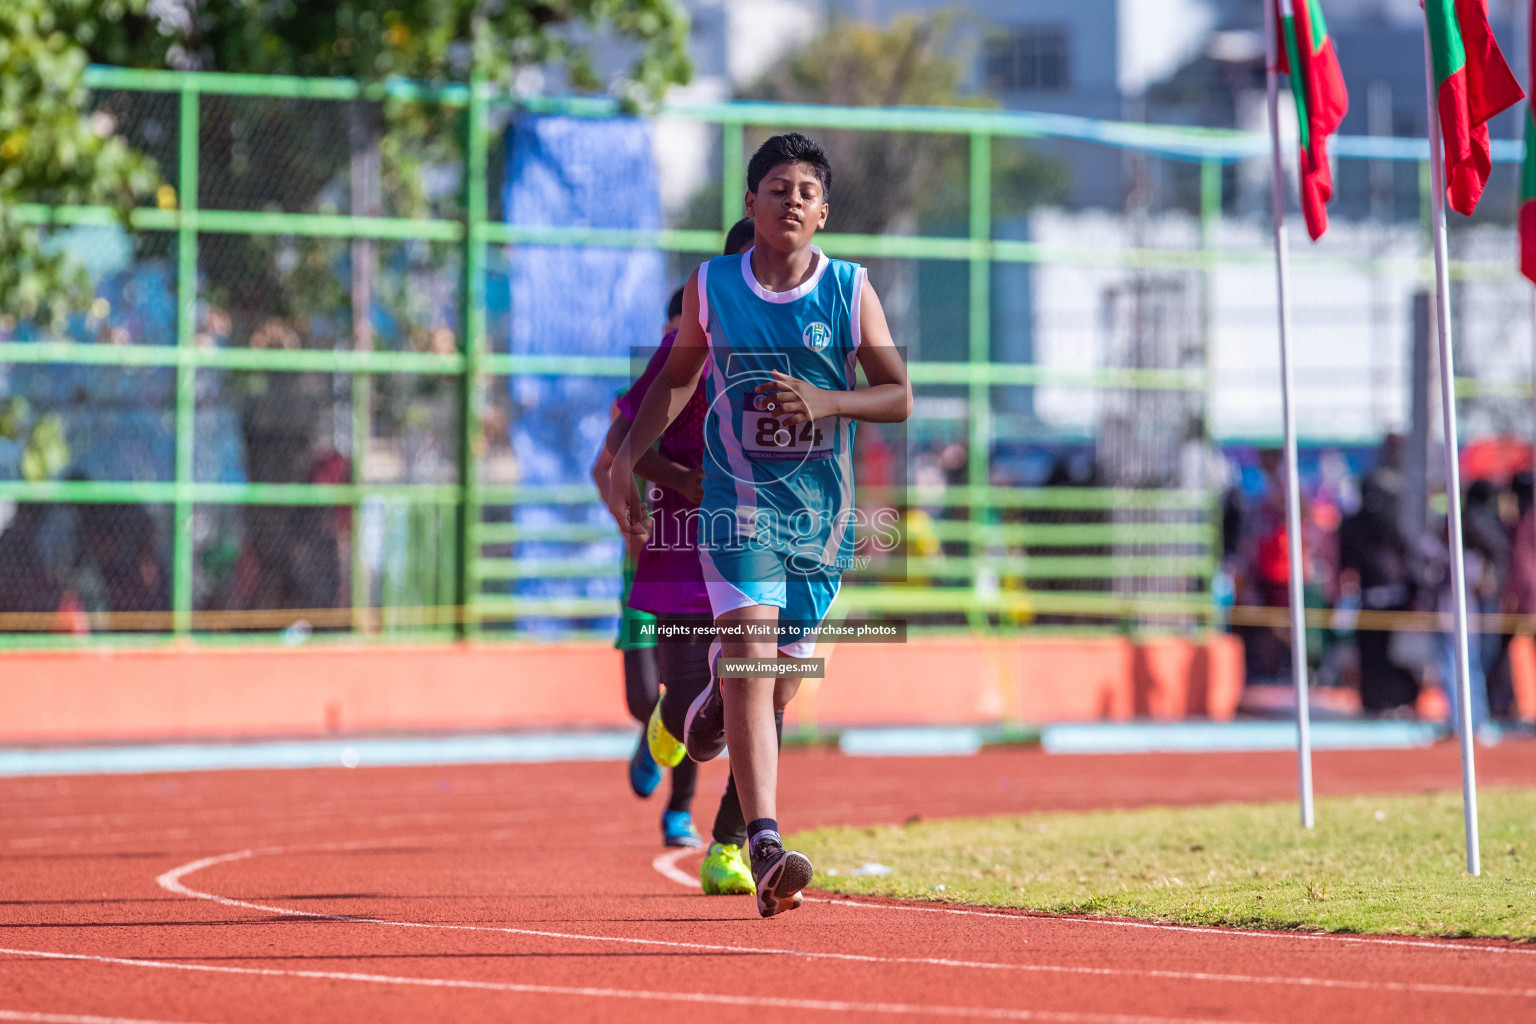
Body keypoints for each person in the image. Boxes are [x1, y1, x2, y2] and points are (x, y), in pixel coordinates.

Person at [605, 133, 912, 917]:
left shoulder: (849, 288)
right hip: (737, 510)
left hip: (820, 518)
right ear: (751, 203)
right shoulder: (713, 286)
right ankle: (762, 841)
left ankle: (706, 718)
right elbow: (676, 380)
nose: (793, 200)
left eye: (808, 190)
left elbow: (897, 395)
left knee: (772, 684)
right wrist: (628, 464)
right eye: (778, 187)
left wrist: (830, 401)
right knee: (748, 653)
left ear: (825, 212)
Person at [594, 218, 762, 875]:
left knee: (765, 688)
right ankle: (668, 721)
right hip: (679, 549)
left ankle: (733, 843)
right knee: (692, 710)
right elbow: (619, 455)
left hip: (762, 552)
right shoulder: (683, 351)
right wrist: (681, 484)